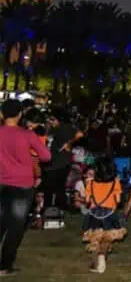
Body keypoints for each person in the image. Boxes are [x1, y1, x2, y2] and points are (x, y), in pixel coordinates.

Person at [0, 98, 52, 275]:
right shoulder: (27, 135)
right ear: (20, 114)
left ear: (1, 114)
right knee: (15, 227)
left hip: (2, 183)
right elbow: (46, 156)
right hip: (23, 185)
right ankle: (5, 266)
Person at [82, 158, 127, 273]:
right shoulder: (115, 183)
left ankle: (95, 262)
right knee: (107, 238)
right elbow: (118, 200)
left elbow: (87, 201)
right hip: (109, 214)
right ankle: (102, 259)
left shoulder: (90, 183)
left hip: (93, 214)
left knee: (94, 239)